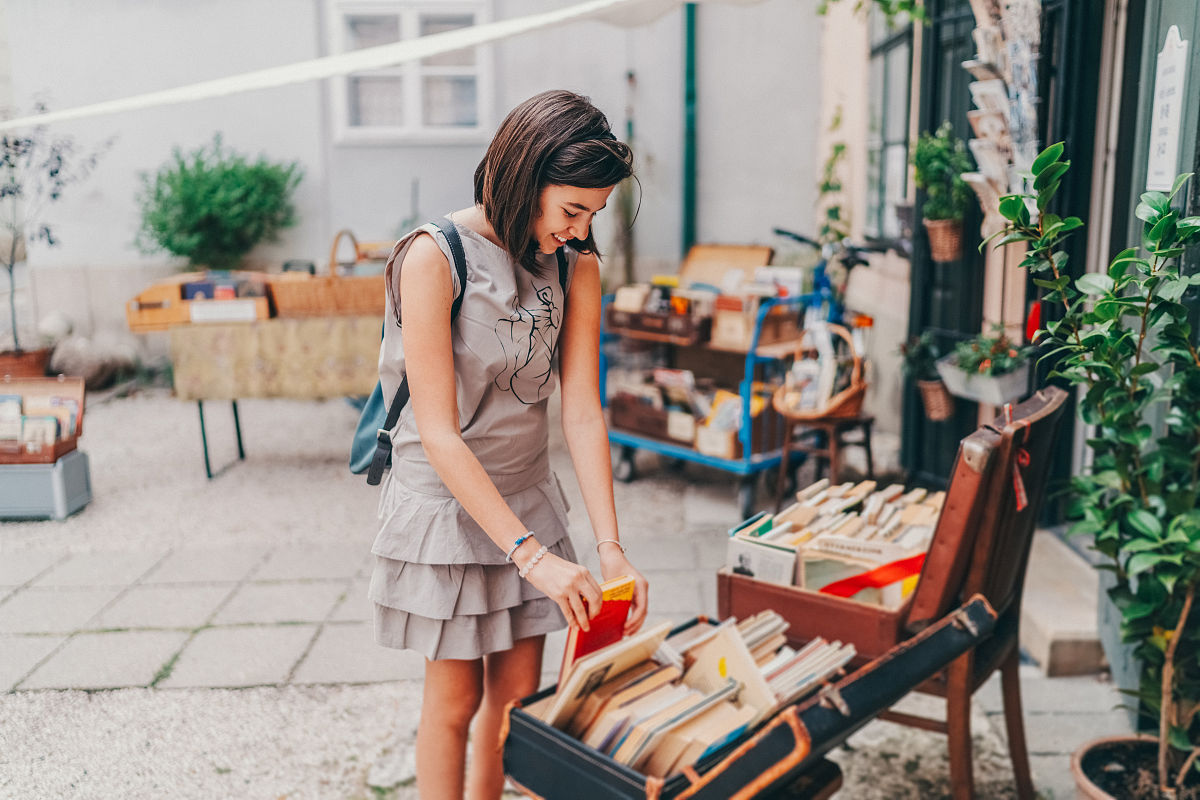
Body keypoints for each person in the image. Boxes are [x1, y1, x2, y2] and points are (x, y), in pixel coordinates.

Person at [368, 89, 650, 800]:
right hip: (448, 507)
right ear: (527, 177)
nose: (581, 229)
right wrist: (529, 558)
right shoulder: (435, 256)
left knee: (518, 703)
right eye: (571, 211)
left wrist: (611, 550)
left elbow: (580, 412)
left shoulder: (575, 264)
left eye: (594, 214)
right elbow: (437, 432)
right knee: (455, 703)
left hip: (528, 493)